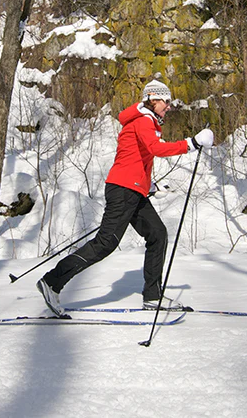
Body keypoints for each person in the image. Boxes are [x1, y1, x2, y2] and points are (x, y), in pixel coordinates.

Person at [37, 79, 214, 316]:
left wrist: (147, 183)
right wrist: (191, 143)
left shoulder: (144, 120)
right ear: (153, 99)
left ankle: (152, 296)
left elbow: (134, 156)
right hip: (123, 190)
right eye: (166, 101)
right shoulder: (143, 120)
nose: (169, 107)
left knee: (158, 234)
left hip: (133, 190)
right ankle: (52, 282)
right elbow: (156, 149)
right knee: (105, 244)